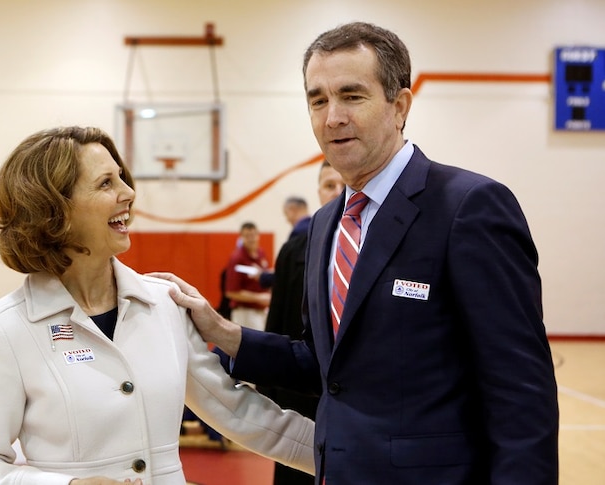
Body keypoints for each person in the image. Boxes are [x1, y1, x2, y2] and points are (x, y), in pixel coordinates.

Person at [152, 21, 559, 484]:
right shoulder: (326, 225)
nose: (332, 118)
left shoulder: (468, 207)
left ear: (400, 106)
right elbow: (327, 363)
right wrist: (224, 332)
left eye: (352, 95)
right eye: (318, 100)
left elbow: (521, 391)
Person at [0, 126, 316, 485]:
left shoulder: (164, 303)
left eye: (122, 178)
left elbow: (238, 413)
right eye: (106, 183)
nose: (129, 192)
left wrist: (344, 455)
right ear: (55, 211)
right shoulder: (5, 327)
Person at [259, 162, 342, 485]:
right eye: (328, 185)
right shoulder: (295, 249)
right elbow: (277, 318)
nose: (336, 192)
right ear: (318, 192)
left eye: (341, 184)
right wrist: (267, 388)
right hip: (300, 395)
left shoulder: (382, 244)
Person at [224, 221, 271, 331]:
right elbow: (231, 292)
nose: (251, 239)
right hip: (245, 312)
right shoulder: (237, 258)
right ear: (241, 238)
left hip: (262, 311)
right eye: (247, 236)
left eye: (253, 235)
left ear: (258, 236)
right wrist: (259, 298)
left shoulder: (261, 254)